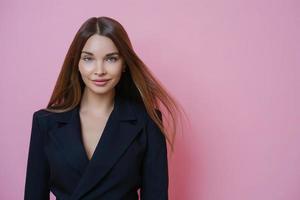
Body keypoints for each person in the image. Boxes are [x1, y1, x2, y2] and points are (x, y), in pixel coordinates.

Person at [24, 16, 185, 200]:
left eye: (111, 59)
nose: (99, 70)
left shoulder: (147, 121)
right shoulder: (45, 123)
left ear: (124, 63)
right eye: (88, 59)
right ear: (76, 63)